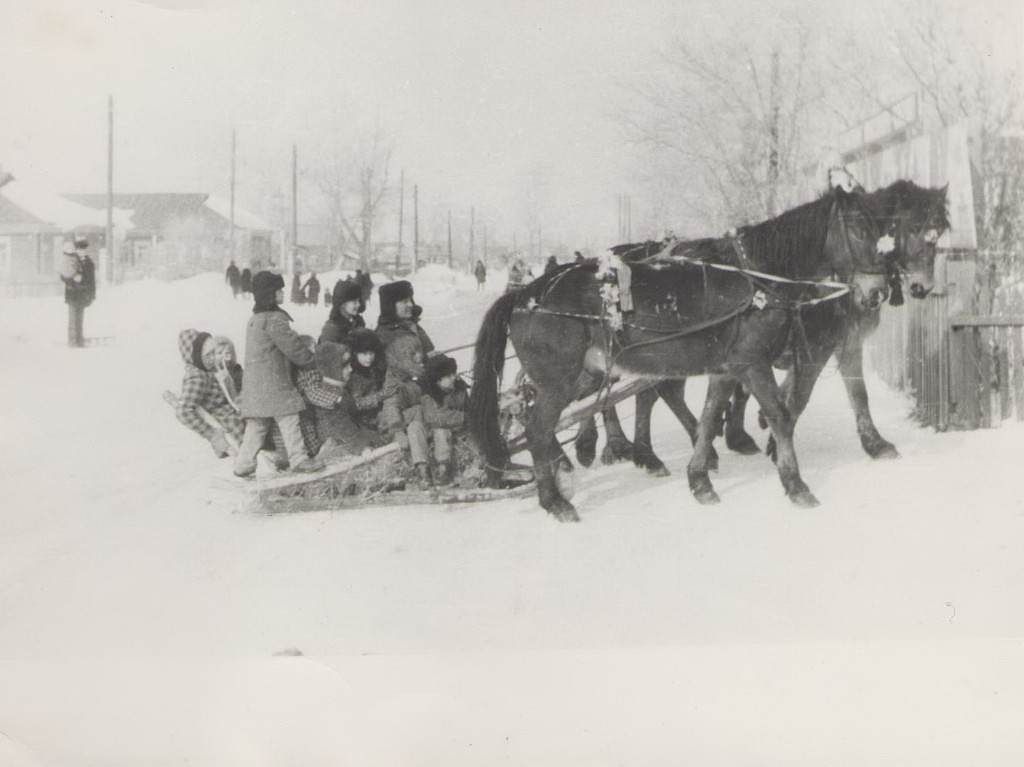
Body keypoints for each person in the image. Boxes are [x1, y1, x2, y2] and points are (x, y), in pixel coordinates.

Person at [233, 271, 320, 476]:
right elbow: (293, 348)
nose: (282, 293)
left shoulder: (254, 320)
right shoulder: (274, 319)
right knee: (289, 418)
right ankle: (298, 459)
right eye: (278, 290)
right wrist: (312, 362)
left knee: (257, 425)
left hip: (255, 386)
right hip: (274, 383)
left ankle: (243, 464)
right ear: (269, 294)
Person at [311, 339, 388, 459]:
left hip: (347, 436)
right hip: (337, 440)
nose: (350, 369)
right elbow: (342, 427)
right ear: (333, 369)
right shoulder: (332, 395)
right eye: (345, 366)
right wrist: (362, 447)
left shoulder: (339, 389)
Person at [175, 329, 245, 458]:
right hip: (232, 427)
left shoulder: (205, 370)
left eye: (213, 352)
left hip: (235, 420)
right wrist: (212, 434)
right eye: (208, 355)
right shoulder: (197, 377)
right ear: (195, 356)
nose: (213, 358)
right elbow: (183, 411)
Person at [380, 333, 432, 489]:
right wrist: (397, 432)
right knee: (415, 427)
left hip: (417, 421)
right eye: (414, 356)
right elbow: (391, 408)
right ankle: (422, 470)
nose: (419, 358)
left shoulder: (409, 377)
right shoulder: (395, 383)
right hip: (400, 426)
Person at [419, 353, 470, 486]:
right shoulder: (429, 394)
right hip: (436, 430)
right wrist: (464, 417)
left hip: (459, 427)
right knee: (441, 431)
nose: (453, 378)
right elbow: (436, 418)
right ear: (438, 380)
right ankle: (443, 468)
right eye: (448, 376)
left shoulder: (459, 388)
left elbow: (469, 406)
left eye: (453, 374)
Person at [375, 280, 434, 358]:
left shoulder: (412, 325)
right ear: (391, 306)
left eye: (410, 300)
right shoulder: (384, 334)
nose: (410, 304)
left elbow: (429, 351)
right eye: (404, 302)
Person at [345, 328, 389, 433]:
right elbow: (356, 403)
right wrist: (381, 395)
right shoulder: (350, 374)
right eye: (364, 354)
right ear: (355, 353)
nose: (369, 357)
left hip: (379, 414)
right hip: (360, 421)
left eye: (371, 353)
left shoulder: (376, 368)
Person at [58, 238, 96, 348]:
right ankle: (72, 342)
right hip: (73, 294)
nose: (81, 252)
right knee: (73, 319)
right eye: (79, 250)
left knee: (79, 318)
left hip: (83, 294)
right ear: (76, 250)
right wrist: (72, 280)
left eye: (83, 250)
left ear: (86, 251)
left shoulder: (89, 263)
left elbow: (92, 280)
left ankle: (79, 341)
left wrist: (92, 294)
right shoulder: (72, 261)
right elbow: (63, 276)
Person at [320, 279, 365, 345]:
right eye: (354, 302)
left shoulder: (358, 323)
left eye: (359, 301)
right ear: (342, 304)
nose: (359, 304)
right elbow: (328, 350)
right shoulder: (331, 330)